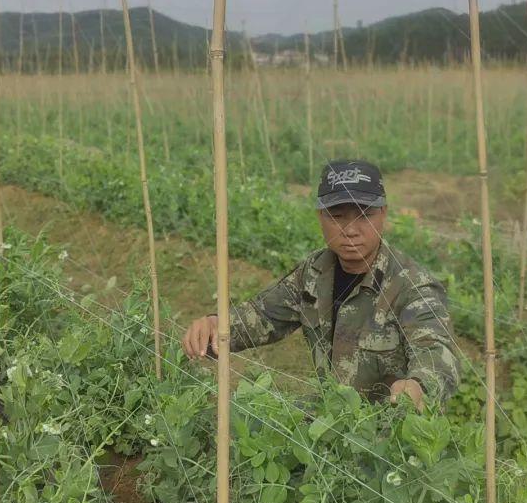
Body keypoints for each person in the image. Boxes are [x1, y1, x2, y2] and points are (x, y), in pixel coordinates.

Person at [181, 159, 460, 411]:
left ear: (384, 214)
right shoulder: (314, 274)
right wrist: (216, 324)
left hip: (388, 442)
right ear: (320, 216)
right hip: (332, 423)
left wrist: (419, 386)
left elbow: (436, 352)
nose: (350, 230)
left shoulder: (411, 286)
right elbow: (263, 315)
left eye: (364, 216)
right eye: (337, 217)